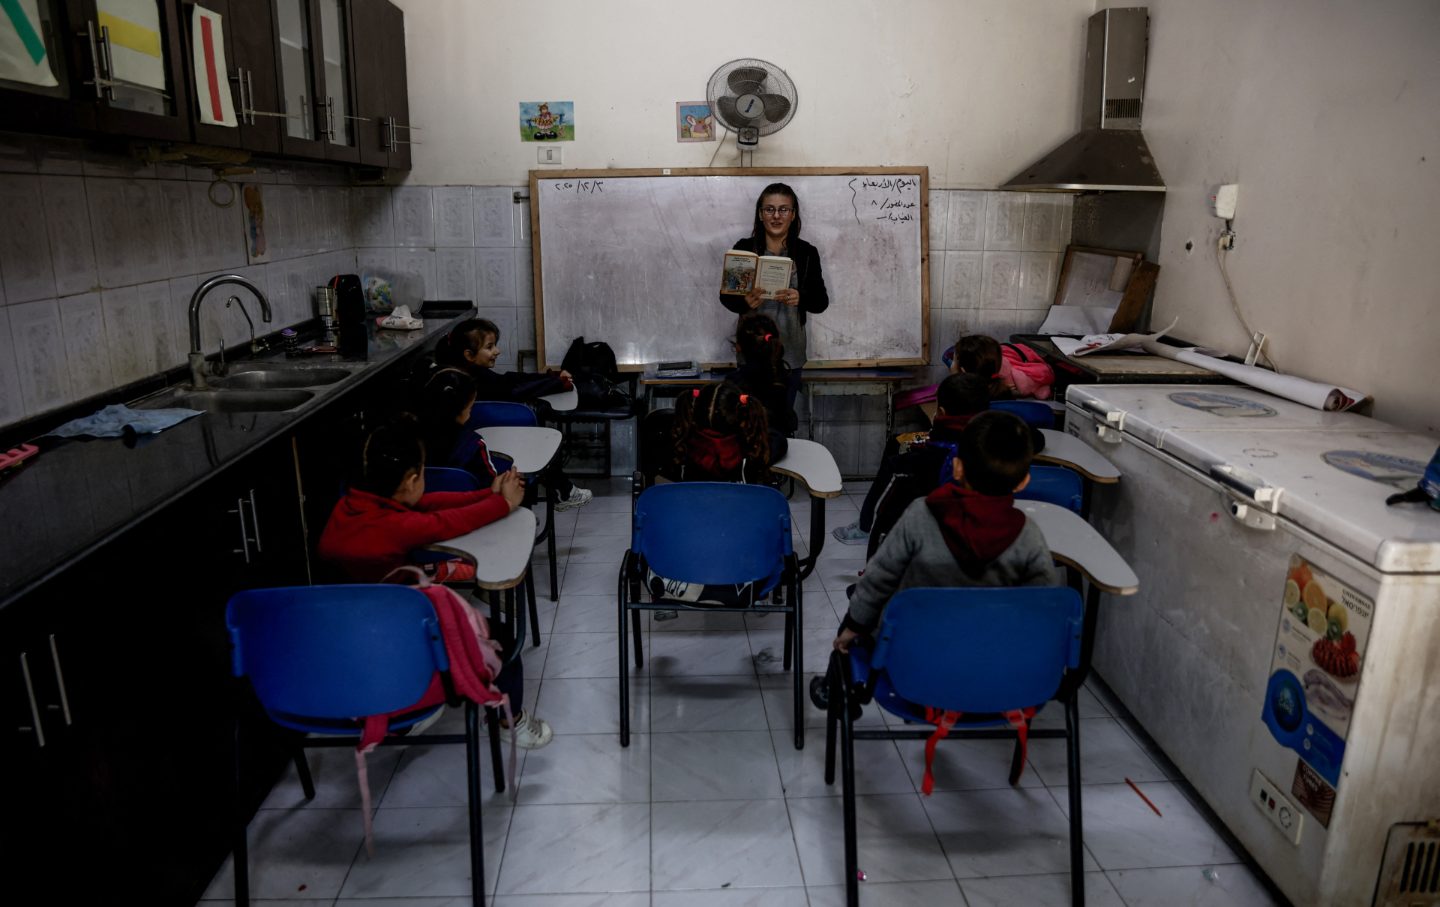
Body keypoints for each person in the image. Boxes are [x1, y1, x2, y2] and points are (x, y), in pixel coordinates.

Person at [316, 417, 553, 747]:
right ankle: (509, 722)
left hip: (351, 640)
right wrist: (502, 503)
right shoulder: (397, 527)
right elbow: (443, 522)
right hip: (400, 644)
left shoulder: (350, 506)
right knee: (502, 641)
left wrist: (487, 494)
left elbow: (430, 506)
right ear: (412, 479)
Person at [831, 410, 1059, 655]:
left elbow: (879, 578)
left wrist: (853, 626)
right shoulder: (1028, 535)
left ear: (957, 467)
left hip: (914, 658)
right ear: (1023, 482)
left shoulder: (920, 515)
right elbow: (1041, 604)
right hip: (992, 662)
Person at [435, 318, 593, 511]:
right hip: (495, 440)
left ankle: (562, 491)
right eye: (490, 346)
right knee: (540, 442)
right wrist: (556, 383)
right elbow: (513, 390)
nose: (497, 351)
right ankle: (562, 493)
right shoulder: (472, 380)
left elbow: (509, 381)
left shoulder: (462, 372)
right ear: (469, 355)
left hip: (492, 438)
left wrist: (552, 378)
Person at [719, 182, 828, 405]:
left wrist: (801, 298)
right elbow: (726, 297)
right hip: (751, 353)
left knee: (783, 421)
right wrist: (744, 302)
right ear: (760, 214)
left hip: (790, 354)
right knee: (750, 421)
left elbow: (820, 302)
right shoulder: (744, 248)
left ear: (793, 214)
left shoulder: (807, 252)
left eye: (783, 209)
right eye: (769, 209)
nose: (776, 216)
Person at [726, 311, 797, 462]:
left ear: (738, 347)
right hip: (776, 453)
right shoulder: (784, 378)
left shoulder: (733, 382)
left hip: (742, 458)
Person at [415, 368, 503, 482]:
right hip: (467, 497)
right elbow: (490, 481)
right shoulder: (474, 444)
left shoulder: (410, 436)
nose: (470, 414)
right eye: (470, 409)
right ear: (458, 412)